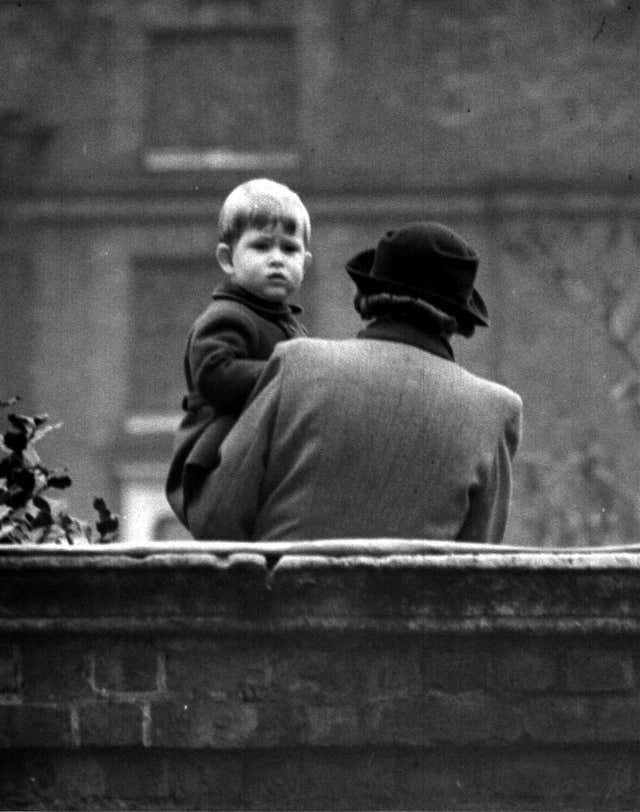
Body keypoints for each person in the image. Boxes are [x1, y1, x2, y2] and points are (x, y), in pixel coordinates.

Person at [186, 221, 523, 543]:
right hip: (406, 602)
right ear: (458, 322)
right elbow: (476, 558)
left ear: (368, 297)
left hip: (287, 597)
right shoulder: (495, 411)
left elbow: (216, 517)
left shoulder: (297, 365)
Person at [165, 177, 312, 527]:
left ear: (305, 262)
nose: (277, 259)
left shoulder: (288, 323)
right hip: (218, 452)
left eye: (289, 250)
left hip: (262, 447)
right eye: (261, 247)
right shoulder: (227, 316)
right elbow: (214, 375)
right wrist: (288, 373)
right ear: (228, 260)